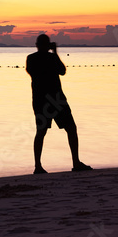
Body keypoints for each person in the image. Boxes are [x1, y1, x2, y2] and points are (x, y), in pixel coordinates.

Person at [26, 33, 91, 174]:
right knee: (42, 131)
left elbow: (62, 71)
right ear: (38, 46)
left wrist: (54, 53)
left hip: (55, 99)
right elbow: (38, 73)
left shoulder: (46, 57)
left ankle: (75, 162)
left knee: (70, 129)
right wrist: (53, 54)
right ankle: (38, 166)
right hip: (45, 101)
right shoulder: (32, 59)